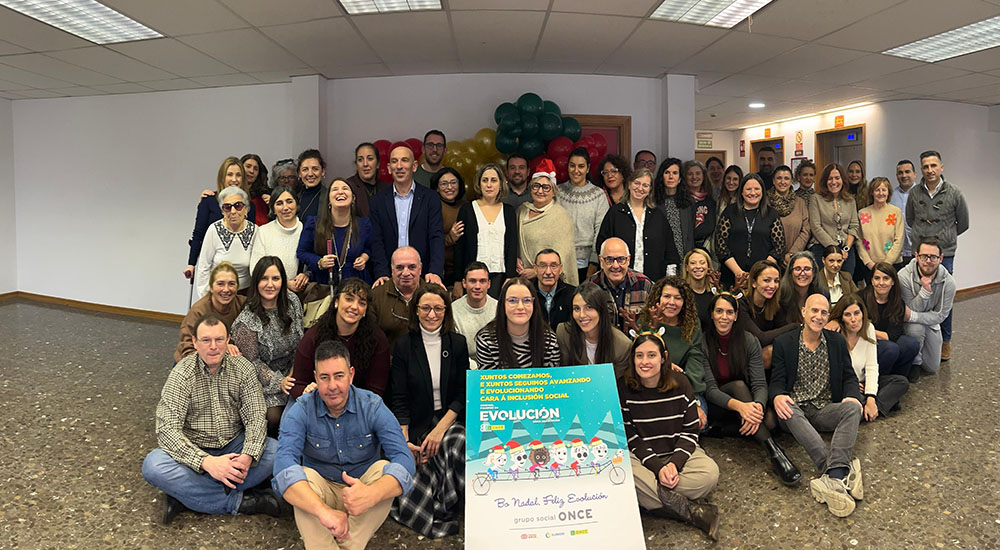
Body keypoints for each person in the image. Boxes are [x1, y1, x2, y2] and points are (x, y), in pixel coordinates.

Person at [273, 340, 415, 549]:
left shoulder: (372, 405)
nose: (332, 386)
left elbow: (404, 459)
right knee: (299, 477)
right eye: (325, 377)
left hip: (361, 493)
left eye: (339, 376)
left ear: (351, 374)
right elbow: (283, 466)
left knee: (383, 470)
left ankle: (348, 544)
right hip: (321, 494)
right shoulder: (301, 409)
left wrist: (372, 494)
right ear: (315, 378)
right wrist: (324, 512)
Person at [142, 314, 281, 524]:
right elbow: (166, 429)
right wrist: (206, 462)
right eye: (206, 340)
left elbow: (255, 416)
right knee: (153, 465)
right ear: (195, 342)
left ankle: (186, 495)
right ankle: (238, 501)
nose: (213, 346)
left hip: (233, 446)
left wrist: (248, 456)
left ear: (228, 340)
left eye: (219, 339)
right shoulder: (181, 374)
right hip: (194, 448)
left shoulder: (243, 369)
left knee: (277, 452)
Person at [619, 332, 720, 540]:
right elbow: (631, 438)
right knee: (623, 475)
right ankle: (692, 511)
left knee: (709, 475)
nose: (645, 362)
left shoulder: (681, 383)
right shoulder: (624, 388)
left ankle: (651, 499)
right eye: (639, 356)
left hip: (675, 452)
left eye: (651, 355)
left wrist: (674, 464)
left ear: (663, 357)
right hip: (642, 458)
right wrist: (658, 467)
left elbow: (690, 431)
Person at [770, 294, 864, 518]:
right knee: (787, 407)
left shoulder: (836, 341)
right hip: (795, 411)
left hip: (824, 408)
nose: (819, 316)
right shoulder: (784, 343)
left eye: (824, 312)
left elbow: (849, 377)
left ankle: (832, 476)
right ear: (804, 311)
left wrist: (853, 396)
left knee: (853, 408)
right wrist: (777, 396)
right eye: (814, 310)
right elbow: (777, 381)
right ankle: (838, 470)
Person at [388, 285, 469, 538]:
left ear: (446, 311)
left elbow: (462, 394)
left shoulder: (457, 343)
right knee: (416, 468)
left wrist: (439, 430)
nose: (431, 314)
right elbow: (399, 397)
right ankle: (440, 508)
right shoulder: (403, 345)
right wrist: (404, 442)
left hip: (449, 419)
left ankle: (454, 505)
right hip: (417, 423)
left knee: (456, 443)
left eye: (438, 308)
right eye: (425, 308)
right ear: (416, 310)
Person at [700, 293, 801, 486]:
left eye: (729, 312)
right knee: (738, 386)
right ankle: (775, 452)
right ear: (712, 314)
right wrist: (741, 407)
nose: (724, 317)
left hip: (745, 402)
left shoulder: (748, 341)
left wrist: (757, 407)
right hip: (720, 404)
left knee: (770, 421)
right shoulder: (703, 343)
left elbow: (760, 384)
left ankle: (722, 429)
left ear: (736, 316)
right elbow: (711, 390)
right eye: (719, 311)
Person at [905, 151, 968, 362]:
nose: (930, 170)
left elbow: (963, 223)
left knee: (942, 298)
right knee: (919, 293)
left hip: (945, 253)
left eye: (933, 166)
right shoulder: (914, 193)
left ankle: (945, 341)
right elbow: (910, 219)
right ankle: (920, 338)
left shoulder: (955, 193)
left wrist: (945, 237)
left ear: (941, 167)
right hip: (920, 253)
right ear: (921, 169)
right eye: (925, 166)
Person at [231, 257, 304, 433]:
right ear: (256, 282)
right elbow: (252, 363)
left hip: (293, 371)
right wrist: (279, 381)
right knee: (274, 417)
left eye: (275, 278)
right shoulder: (247, 321)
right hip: (263, 382)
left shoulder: (292, 302)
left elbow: (301, 340)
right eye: (264, 278)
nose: (270, 284)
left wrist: (295, 371)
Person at [289, 278, 390, 399]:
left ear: (365, 311)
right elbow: (297, 384)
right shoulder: (313, 336)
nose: (354, 306)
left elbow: (376, 390)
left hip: (360, 402)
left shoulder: (377, 339)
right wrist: (307, 391)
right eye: (349, 299)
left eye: (362, 303)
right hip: (318, 399)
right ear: (336, 302)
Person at [370, 144, 445, 286]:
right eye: (394, 161)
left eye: (404, 160)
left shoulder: (430, 198)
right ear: (389, 168)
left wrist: (435, 271)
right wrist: (381, 273)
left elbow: (436, 237)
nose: (399, 166)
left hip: (424, 276)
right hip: (389, 277)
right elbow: (376, 241)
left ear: (414, 166)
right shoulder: (377, 201)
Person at [638, 275, 708, 427]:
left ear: (684, 302)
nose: (671, 302)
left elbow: (695, 358)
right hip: (651, 384)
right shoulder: (646, 321)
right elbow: (637, 358)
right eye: (667, 296)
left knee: (698, 422)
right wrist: (663, 366)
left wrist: (691, 394)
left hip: (682, 384)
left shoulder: (692, 324)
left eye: (678, 298)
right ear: (658, 298)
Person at [829, 295, 909, 419]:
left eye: (857, 313)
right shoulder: (835, 333)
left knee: (901, 382)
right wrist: (852, 384)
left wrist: (871, 397)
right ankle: (873, 409)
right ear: (841, 317)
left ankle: (869, 409)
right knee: (849, 398)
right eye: (847, 315)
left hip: (863, 382)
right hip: (844, 384)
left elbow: (872, 366)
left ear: (863, 313)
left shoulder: (868, 328)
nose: (853, 319)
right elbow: (831, 370)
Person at [597, 167, 679, 282]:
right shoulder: (615, 213)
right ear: (629, 184)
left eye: (645, 185)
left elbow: (670, 250)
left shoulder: (658, 215)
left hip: (653, 281)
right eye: (637, 183)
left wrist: (670, 280)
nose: (640, 188)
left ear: (650, 189)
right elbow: (602, 245)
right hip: (620, 280)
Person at [183, 157, 256, 280]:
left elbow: (250, 237)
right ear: (222, 177)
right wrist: (191, 264)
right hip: (214, 269)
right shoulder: (208, 200)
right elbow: (198, 234)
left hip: (242, 274)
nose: (234, 179)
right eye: (229, 174)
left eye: (238, 175)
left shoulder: (249, 205)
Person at [454, 163, 519, 298]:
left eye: (493, 180)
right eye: (485, 180)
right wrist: (458, 280)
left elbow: (512, 246)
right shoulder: (467, 210)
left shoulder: (508, 211)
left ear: (501, 184)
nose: (489, 185)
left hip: (500, 277)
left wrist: (510, 277)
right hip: (473, 277)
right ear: (479, 184)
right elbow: (460, 248)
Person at [298, 178, 373, 286]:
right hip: (324, 283)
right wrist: (319, 262)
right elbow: (302, 252)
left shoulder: (364, 224)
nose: (340, 192)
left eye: (345, 188)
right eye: (335, 189)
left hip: (355, 282)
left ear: (353, 198)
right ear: (328, 200)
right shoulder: (314, 224)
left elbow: (370, 248)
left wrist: (364, 258)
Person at [715, 174, 785, 290]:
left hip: (762, 278)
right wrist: (739, 274)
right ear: (741, 192)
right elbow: (720, 246)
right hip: (731, 276)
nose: (753, 193)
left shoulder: (771, 214)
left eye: (757, 189)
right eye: (748, 189)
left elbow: (779, 248)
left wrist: (760, 272)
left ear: (762, 192)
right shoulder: (730, 212)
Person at [898, 237, 956, 376]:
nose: (928, 261)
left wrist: (913, 316)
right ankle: (915, 363)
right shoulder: (903, 276)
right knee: (916, 329)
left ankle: (920, 351)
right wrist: (925, 292)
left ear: (941, 258)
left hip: (930, 324)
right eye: (924, 256)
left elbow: (940, 316)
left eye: (933, 257)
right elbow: (910, 308)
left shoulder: (949, 283)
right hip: (910, 325)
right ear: (916, 256)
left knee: (932, 368)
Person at [516, 160, 579, 285]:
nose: (540, 191)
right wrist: (515, 259)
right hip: (523, 278)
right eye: (536, 186)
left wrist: (537, 271)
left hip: (550, 279)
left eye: (546, 187)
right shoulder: (521, 211)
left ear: (553, 191)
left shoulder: (560, 216)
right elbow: (514, 243)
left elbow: (564, 253)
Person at [475, 277, 561, 369]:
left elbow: (553, 377)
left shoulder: (549, 341)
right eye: (512, 301)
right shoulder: (486, 340)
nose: (520, 307)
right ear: (503, 304)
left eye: (527, 300)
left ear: (534, 304)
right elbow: (487, 378)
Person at [556, 282, 632, 376]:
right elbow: (564, 374)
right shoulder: (564, 333)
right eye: (576, 309)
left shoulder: (622, 346)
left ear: (601, 310)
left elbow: (615, 382)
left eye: (589, 307)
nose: (582, 315)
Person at [175, 262, 245, 363]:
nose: (226, 289)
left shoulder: (243, 304)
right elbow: (187, 350)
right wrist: (222, 348)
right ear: (211, 287)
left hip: (228, 359)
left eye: (231, 284)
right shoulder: (198, 311)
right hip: (192, 360)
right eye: (220, 284)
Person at [558, 147, 610, 283]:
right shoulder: (557, 192)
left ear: (588, 168)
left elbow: (601, 231)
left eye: (581, 166)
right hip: (561, 261)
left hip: (588, 263)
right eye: (572, 166)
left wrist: (594, 262)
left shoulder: (598, 195)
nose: (576, 170)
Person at [861, 262, 920, 379]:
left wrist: (870, 330)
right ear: (871, 281)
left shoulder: (898, 302)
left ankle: (897, 378)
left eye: (886, 278)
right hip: (866, 342)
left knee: (911, 344)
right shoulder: (860, 298)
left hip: (886, 340)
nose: (881, 283)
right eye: (877, 278)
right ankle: (877, 379)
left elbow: (893, 335)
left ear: (893, 282)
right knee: (891, 348)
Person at [194, 186, 256, 297]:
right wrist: (204, 296)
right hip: (218, 293)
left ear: (246, 209)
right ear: (222, 211)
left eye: (238, 206)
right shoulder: (213, 230)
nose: (233, 211)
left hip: (245, 294)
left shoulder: (255, 231)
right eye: (227, 207)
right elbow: (204, 266)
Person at [586, 238, 652, 333]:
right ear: (601, 261)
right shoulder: (589, 288)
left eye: (621, 259)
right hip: (603, 342)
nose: (616, 266)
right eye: (609, 260)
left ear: (628, 260)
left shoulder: (644, 284)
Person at [250, 185, 308, 294]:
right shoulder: (263, 231)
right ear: (273, 209)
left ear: (296, 204)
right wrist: (286, 284)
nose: (285, 207)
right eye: (279, 203)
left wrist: (306, 275)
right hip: (271, 292)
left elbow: (313, 263)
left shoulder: (306, 230)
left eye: (289, 201)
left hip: (302, 293)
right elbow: (255, 269)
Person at [743, 259, 798, 369]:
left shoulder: (774, 304)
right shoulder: (741, 304)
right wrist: (795, 326)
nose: (772, 286)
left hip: (764, 361)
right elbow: (760, 339)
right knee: (770, 351)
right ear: (753, 283)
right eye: (767, 280)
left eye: (776, 281)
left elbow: (785, 334)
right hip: (742, 357)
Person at [809, 162, 860, 277]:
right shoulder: (816, 199)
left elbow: (854, 226)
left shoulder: (850, 200)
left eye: (837, 178)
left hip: (846, 252)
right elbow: (816, 227)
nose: (833, 182)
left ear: (843, 180)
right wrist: (835, 249)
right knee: (823, 284)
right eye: (830, 178)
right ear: (824, 181)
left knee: (846, 283)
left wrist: (846, 248)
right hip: (822, 249)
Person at [371, 246, 425, 353]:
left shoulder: (433, 295)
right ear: (392, 270)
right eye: (399, 267)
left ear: (420, 269)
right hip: (388, 359)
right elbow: (369, 338)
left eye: (412, 267)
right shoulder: (376, 296)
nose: (406, 273)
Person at [856, 176, 904, 282]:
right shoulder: (862, 213)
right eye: (877, 190)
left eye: (884, 190)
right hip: (869, 266)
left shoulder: (896, 212)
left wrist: (885, 264)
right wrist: (869, 263)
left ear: (889, 192)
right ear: (872, 193)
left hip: (892, 265)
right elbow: (859, 241)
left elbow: (899, 240)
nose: (880, 193)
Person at [451, 262, 497, 369]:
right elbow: (454, 350)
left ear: (489, 284)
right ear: (464, 283)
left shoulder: (499, 309)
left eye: (482, 281)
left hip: (494, 369)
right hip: (463, 367)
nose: (477, 286)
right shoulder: (452, 311)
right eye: (472, 281)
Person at [431, 168, 467, 291]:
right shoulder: (433, 207)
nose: (449, 187)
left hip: (462, 270)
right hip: (440, 270)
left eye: (453, 182)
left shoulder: (466, 206)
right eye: (444, 183)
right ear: (437, 187)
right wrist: (449, 238)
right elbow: (428, 241)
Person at [768, 165, 810, 266]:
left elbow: (806, 230)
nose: (782, 182)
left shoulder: (800, 202)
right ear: (773, 181)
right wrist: (774, 256)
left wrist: (792, 254)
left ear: (791, 181)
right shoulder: (765, 202)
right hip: (769, 258)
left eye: (786, 178)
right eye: (779, 178)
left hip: (793, 258)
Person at [653, 157, 694, 256]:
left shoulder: (689, 202)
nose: (671, 177)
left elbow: (690, 234)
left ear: (680, 178)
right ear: (662, 176)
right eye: (667, 172)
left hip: (684, 255)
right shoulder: (653, 202)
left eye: (675, 173)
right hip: (661, 254)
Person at [778, 252, 828, 325]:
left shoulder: (823, 295)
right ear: (790, 272)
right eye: (797, 269)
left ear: (814, 272)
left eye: (807, 269)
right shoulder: (780, 296)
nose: (802, 273)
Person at [532, 248, 575, 330]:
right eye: (543, 266)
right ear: (535, 269)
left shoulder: (573, 294)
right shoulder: (527, 294)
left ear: (560, 269)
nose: (548, 272)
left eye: (553, 266)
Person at [346, 142, 387, 217]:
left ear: (378, 164)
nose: (365, 164)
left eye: (370, 159)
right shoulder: (348, 187)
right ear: (356, 164)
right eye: (360, 160)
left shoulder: (387, 188)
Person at [890, 160, 917, 269]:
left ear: (914, 174)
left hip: (916, 251)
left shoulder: (922, 194)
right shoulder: (890, 196)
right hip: (896, 252)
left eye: (907, 172)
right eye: (900, 173)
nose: (904, 175)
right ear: (897, 176)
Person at [684, 160, 716, 249]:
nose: (694, 177)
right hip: (686, 248)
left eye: (698, 173)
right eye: (690, 174)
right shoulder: (681, 200)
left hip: (706, 248)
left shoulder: (710, 201)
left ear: (703, 176)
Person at [682, 248, 717, 329]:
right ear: (687, 268)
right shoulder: (681, 293)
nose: (698, 266)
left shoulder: (716, 292)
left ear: (708, 266)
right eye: (693, 263)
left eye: (702, 263)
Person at [296, 149, 328, 221]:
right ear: (299, 174)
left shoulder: (329, 197)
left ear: (323, 172)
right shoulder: (295, 197)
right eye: (305, 169)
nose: (310, 174)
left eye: (315, 169)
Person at [242, 153, 271, 226]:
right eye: (248, 166)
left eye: (255, 169)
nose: (251, 171)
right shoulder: (230, 193)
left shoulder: (265, 195)